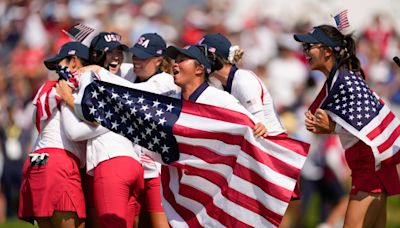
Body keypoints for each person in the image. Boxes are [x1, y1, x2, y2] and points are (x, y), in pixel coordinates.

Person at [294, 24, 400, 227]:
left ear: (327, 51)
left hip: (370, 165)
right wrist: (325, 127)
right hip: (369, 165)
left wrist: (332, 128)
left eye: (309, 47)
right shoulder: (340, 79)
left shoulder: (345, 81)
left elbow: (370, 128)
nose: (305, 52)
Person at [18, 41, 89, 228]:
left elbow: (36, 119)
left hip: (36, 161)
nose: (58, 70)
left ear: (74, 62)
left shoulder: (47, 89)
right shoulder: (79, 87)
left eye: (60, 64)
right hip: (60, 162)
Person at [199, 33, 285, 137]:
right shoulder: (221, 86)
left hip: (273, 145)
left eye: (200, 54)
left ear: (213, 56)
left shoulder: (243, 80)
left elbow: (259, 128)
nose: (197, 60)